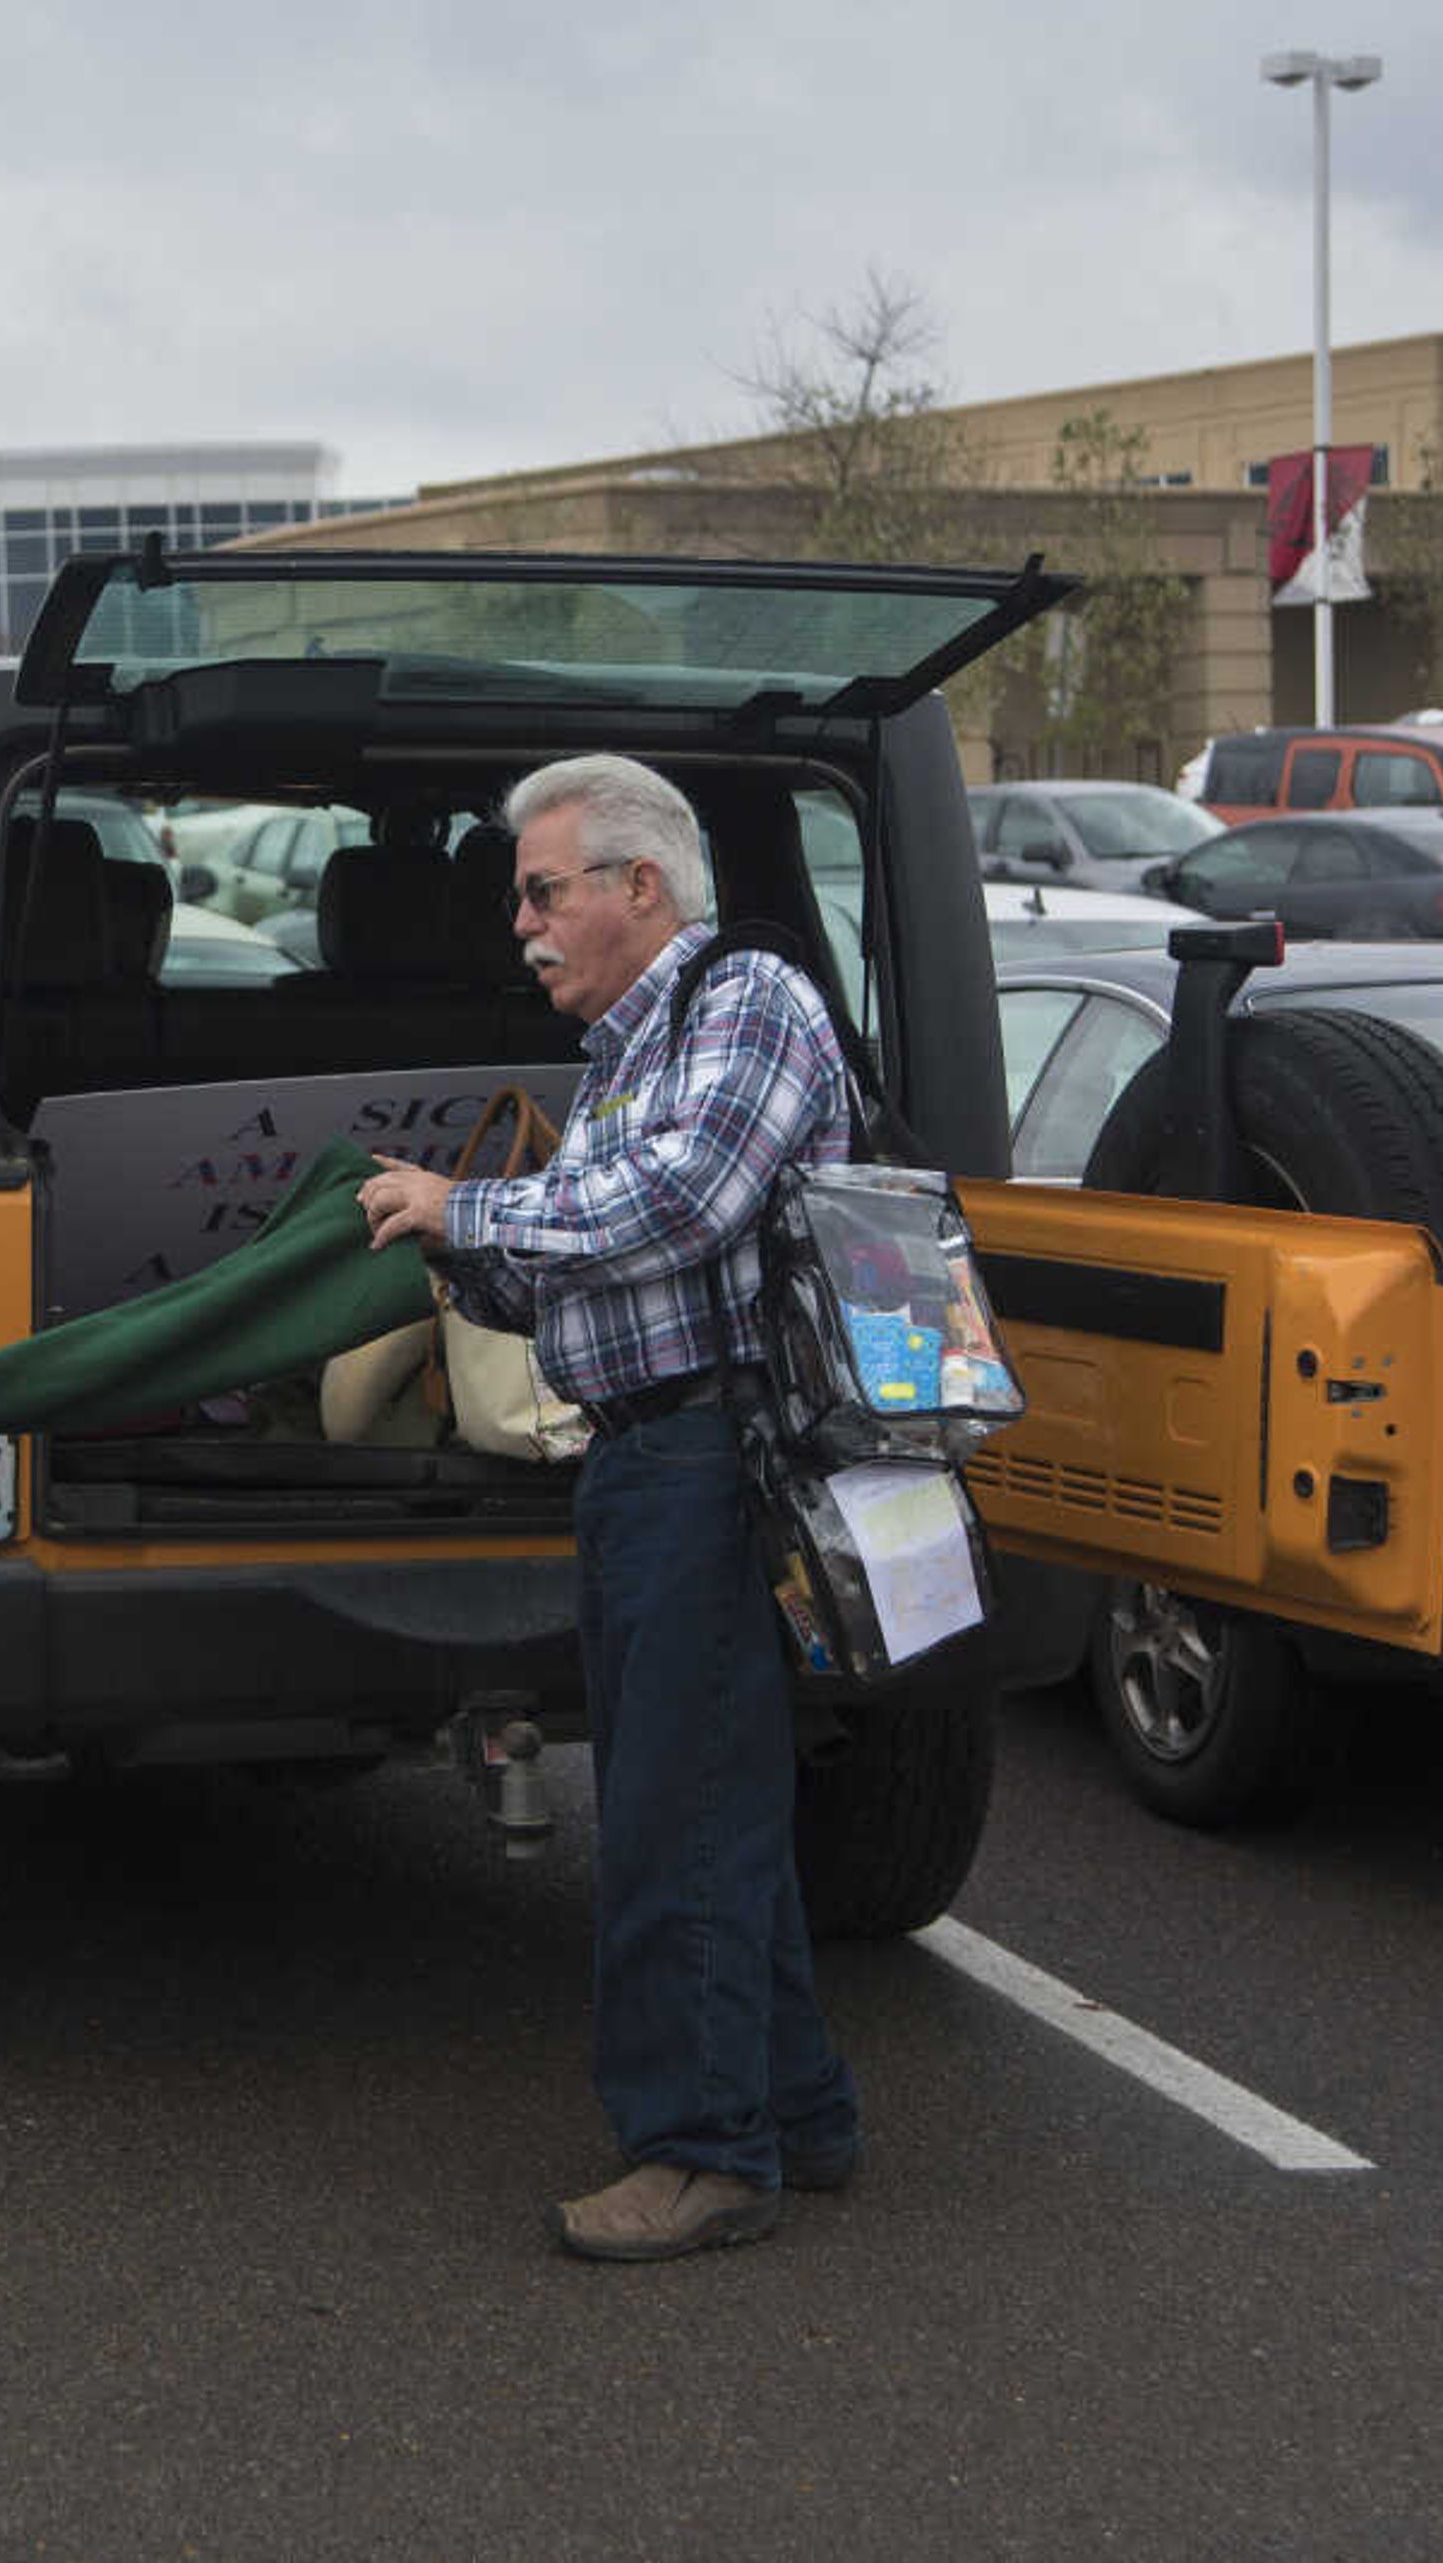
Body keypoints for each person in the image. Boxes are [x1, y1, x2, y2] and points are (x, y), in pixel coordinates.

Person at [356, 752, 861, 2263]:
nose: (520, 922)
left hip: (712, 1465)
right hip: (645, 1460)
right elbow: (589, 1254)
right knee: (712, 1803)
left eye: (541, 888)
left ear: (642, 887)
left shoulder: (748, 1003)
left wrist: (473, 1211)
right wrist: (443, 1242)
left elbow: (688, 1198)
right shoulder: (634, 1051)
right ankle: (800, 2113)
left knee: (671, 1822)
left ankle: (702, 2154)